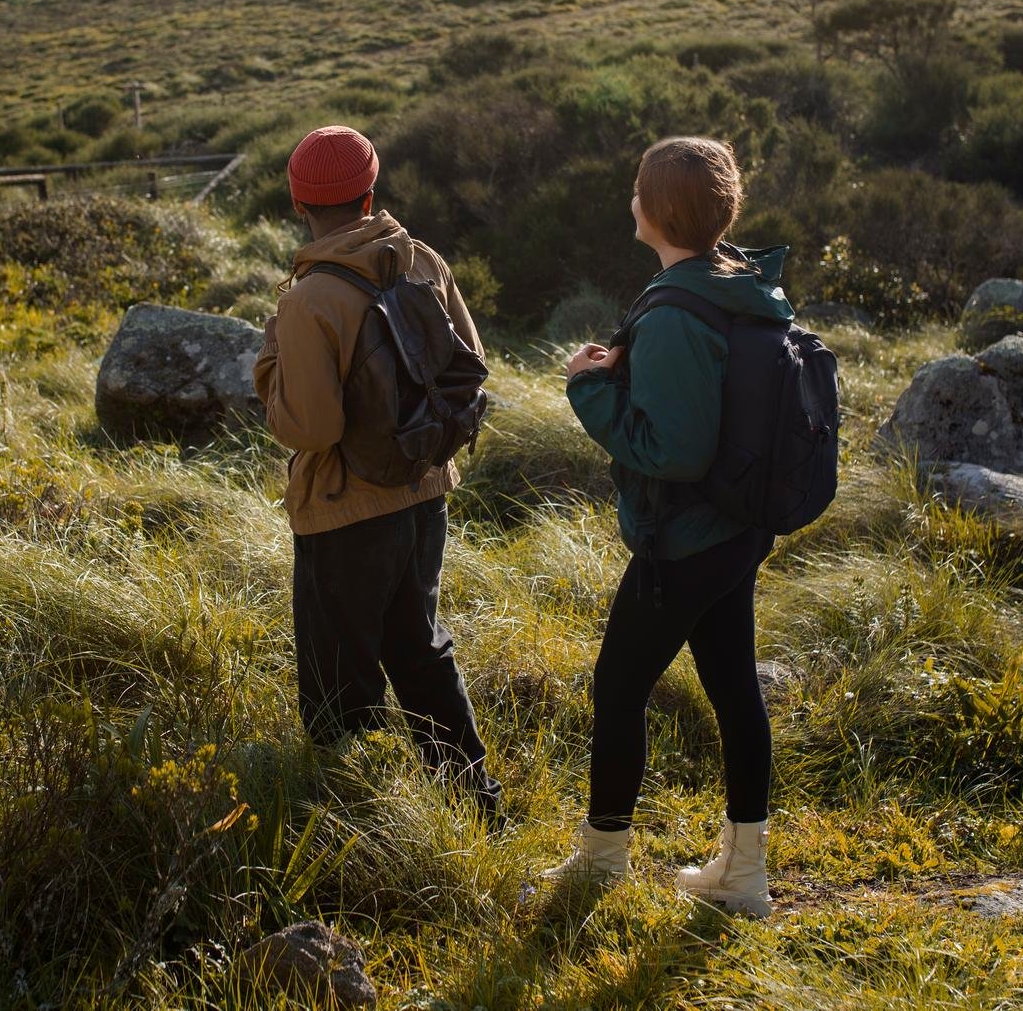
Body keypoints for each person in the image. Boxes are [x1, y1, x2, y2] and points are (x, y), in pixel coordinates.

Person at [541, 135, 793, 917]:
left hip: (685, 540)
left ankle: (600, 862)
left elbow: (673, 451)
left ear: (656, 210)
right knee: (731, 687)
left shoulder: (679, 310)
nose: (629, 199)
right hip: (735, 528)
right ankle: (742, 876)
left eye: (637, 189)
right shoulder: (735, 281)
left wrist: (588, 390)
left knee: (617, 688)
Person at [252, 124, 504, 820]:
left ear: (300, 205)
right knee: (420, 647)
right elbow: (469, 366)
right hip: (425, 492)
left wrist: (269, 364)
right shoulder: (422, 259)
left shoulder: (308, 301)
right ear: (371, 193)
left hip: (342, 512)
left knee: (340, 679)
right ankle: (475, 802)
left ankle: (355, 823)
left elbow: (310, 429)